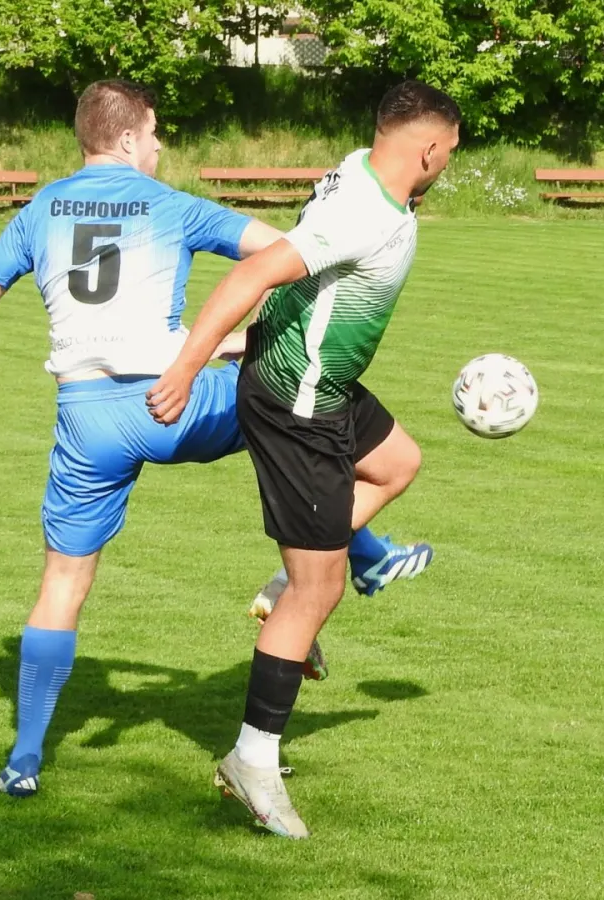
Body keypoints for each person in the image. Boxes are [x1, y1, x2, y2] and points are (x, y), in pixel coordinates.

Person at [0, 79, 433, 799]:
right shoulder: (170, 205)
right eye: (154, 132)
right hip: (181, 402)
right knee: (297, 410)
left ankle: (23, 762)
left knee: (61, 585)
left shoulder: (40, 210)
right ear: (127, 138)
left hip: (87, 420)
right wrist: (237, 343)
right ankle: (352, 559)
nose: (160, 145)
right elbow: (288, 255)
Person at [147, 80, 463, 838]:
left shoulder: (360, 169)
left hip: (322, 382)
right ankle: (251, 761)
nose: (449, 164)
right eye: (450, 152)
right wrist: (187, 369)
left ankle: (290, 583)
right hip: (300, 405)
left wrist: (249, 341)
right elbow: (252, 273)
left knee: (397, 463)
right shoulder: (364, 212)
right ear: (428, 148)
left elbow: (306, 279)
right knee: (319, 591)